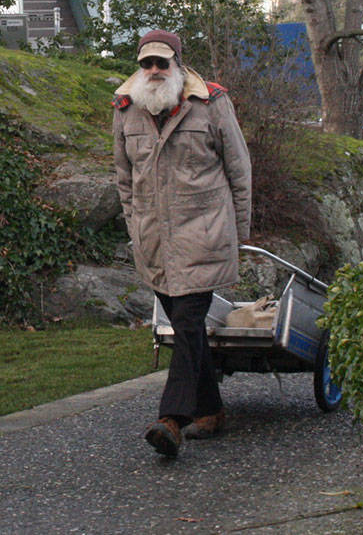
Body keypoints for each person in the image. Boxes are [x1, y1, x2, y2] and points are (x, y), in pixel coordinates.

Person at [111, 29, 252, 458]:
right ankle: (210, 409)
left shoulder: (211, 103)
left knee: (187, 324)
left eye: (162, 62)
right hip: (154, 241)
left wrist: (239, 233)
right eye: (146, 63)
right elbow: (123, 179)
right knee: (187, 328)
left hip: (204, 234)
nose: (154, 70)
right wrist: (135, 227)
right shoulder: (125, 108)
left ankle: (171, 419)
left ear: (178, 63)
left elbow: (239, 169)